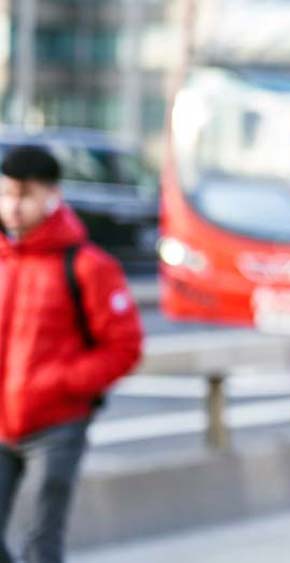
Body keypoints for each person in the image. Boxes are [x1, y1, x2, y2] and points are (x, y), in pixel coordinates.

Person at [0, 145, 143, 563]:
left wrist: (63, 383)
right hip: (3, 420)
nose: (13, 206)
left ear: (51, 195)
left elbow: (124, 347)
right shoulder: (5, 260)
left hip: (57, 426)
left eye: (23, 195)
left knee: (41, 543)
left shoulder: (87, 266)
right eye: (6, 194)